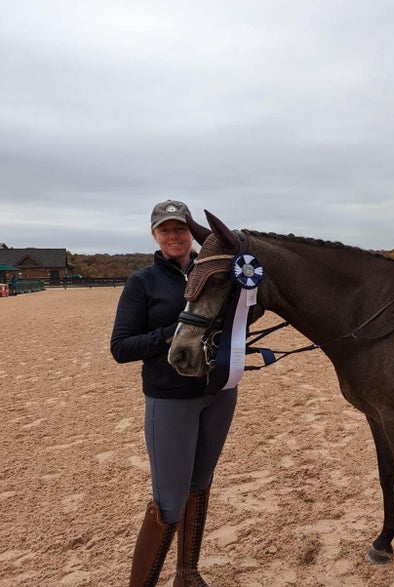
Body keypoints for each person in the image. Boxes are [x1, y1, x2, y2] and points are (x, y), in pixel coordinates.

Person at [111, 200, 238, 586]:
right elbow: (121, 347)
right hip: (169, 398)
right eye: (165, 230)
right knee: (169, 499)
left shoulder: (219, 274)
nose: (174, 236)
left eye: (180, 228)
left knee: (200, 485)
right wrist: (175, 333)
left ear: (191, 232)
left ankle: (187, 573)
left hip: (218, 392)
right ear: (155, 235)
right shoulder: (142, 282)